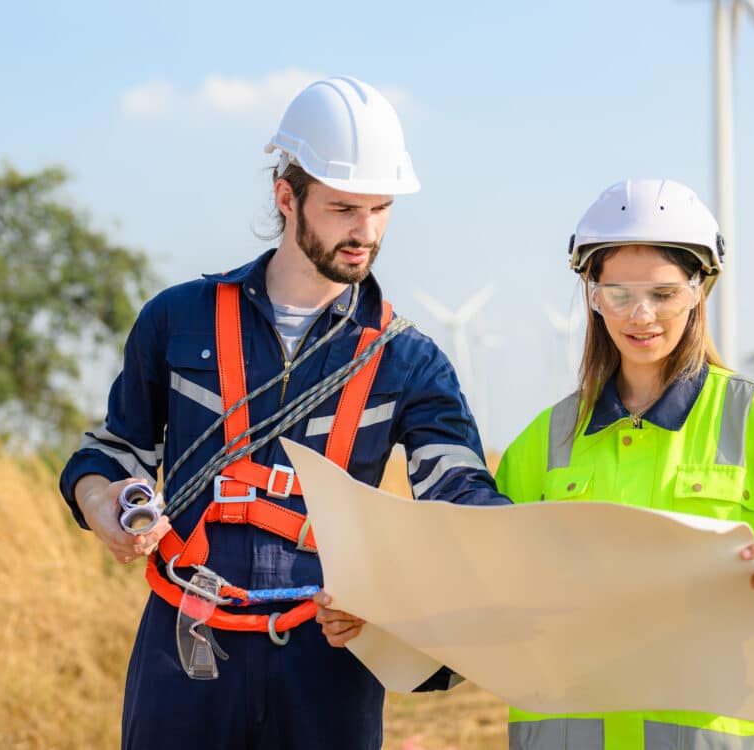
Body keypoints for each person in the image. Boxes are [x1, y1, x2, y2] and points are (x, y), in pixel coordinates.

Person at [59, 75, 509, 750]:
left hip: (331, 660)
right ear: (286, 197)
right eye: (342, 209)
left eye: (381, 208)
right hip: (187, 650)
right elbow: (109, 454)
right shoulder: (176, 321)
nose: (366, 232)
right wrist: (108, 505)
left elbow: (460, 498)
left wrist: (522, 554)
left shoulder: (410, 359)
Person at [495, 178, 754, 749]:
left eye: (663, 294)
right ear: (592, 293)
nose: (641, 315)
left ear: (698, 291)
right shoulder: (540, 443)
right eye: (619, 293)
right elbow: (482, 590)